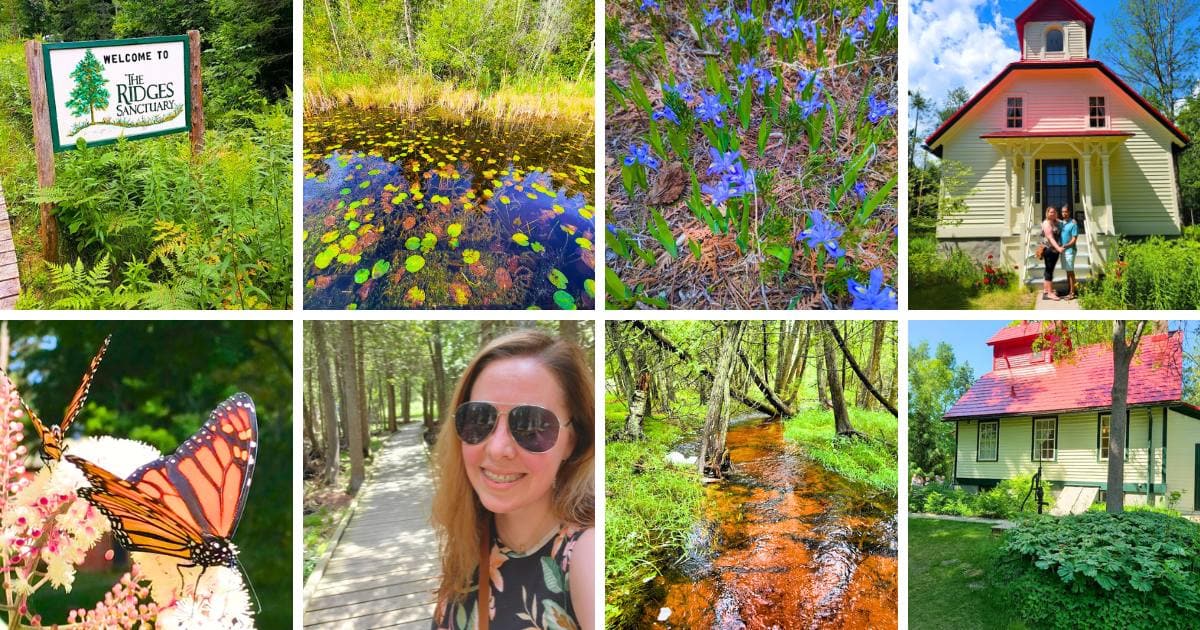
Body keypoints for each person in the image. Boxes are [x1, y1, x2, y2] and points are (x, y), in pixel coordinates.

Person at [431, 330, 595, 630]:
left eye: (531, 426)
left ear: (573, 440)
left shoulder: (586, 556)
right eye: (479, 419)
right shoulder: (470, 534)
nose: (497, 449)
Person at [1041, 206, 1063, 301]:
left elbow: (1062, 223)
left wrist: (1072, 221)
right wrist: (1058, 248)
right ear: (1047, 213)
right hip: (1050, 249)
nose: (1053, 214)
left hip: (1054, 250)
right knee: (1049, 270)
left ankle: (1046, 290)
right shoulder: (1046, 223)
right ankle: (1049, 293)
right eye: (1051, 212)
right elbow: (1050, 237)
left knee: (1049, 269)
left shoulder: (1054, 222)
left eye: (1054, 212)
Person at [1059, 205, 1078, 299]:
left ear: (1069, 212)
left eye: (1066, 211)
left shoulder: (1073, 223)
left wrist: (1065, 246)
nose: (1064, 213)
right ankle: (1071, 289)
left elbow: (1074, 240)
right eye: (1062, 212)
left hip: (1070, 250)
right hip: (1063, 251)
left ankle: (1072, 293)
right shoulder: (1062, 223)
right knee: (1068, 271)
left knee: (1070, 272)